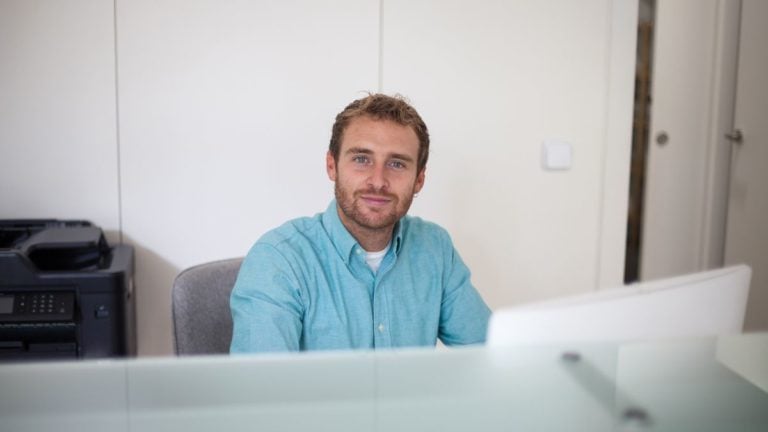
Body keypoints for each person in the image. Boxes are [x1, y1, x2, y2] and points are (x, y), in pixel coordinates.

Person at [230, 93, 490, 353]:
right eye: (362, 159)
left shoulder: (435, 249)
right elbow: (261, 390)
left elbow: (496, 357)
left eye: (397, 164)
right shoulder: (279, 260)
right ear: (332, 166)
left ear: (419, 179)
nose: (378, 181)